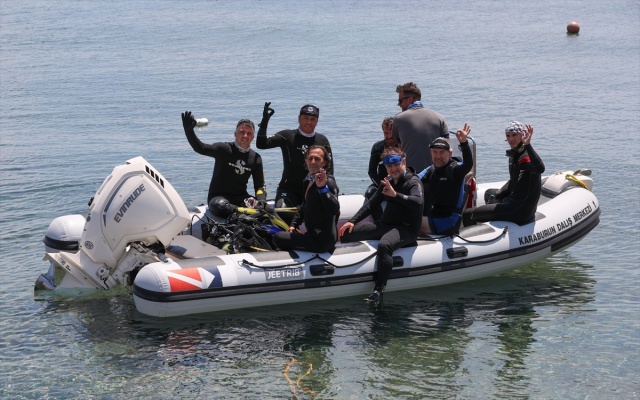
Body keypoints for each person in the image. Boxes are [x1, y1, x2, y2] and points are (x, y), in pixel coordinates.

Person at [339, 147, 423, 304]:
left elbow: (418, 202)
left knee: (385, 244)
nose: (393, 169)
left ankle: (378, 291)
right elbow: (372, 204)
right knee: (347, 233)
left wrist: (395, 195)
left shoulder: (413, 181)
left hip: (407, 229)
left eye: (396, 164)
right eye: (389, 166)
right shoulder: (388, 182)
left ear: (404, 162)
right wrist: (353, 221)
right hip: (386, 224)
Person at [181, 111, 266, 218]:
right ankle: (242, 216)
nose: (245, 136)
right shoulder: (224, 149)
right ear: (235, 134)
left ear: (253, 137)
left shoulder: (256, 158)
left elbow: (260, 186)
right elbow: (201, 148)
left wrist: (261, 201)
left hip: (241, 198)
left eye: (249, 133)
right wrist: (189, 131)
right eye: (242, 132)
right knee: (220, 205)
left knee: (267, 210)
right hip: (218, 197)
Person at [463, 121, 545, 226]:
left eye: (514, 135)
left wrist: (528, 145)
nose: (511, 139)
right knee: (490, 194)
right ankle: (493, 227)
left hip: (519, 210)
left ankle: (474, 239)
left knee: (468, 214)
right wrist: (498, 194)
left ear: (522, 135)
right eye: (508, 135)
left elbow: (540, 169)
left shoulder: (525, 157)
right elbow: (514, 182)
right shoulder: (516, 154)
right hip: (516, 204)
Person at [256, 102, 333, 208]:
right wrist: (264, 122)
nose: (309, 122)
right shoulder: (287, 136)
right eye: (305, 118)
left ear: (317, 121)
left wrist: (330, 190)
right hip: (288, 189)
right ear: (299, 118)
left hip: (314, 188)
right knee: (283, 210)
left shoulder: (322, 140)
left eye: (312, 119)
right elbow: (261, 144)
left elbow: (330, 169)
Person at [272, 145, 340, 253]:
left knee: (277, 237)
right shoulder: (309, 179)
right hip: (312, 235)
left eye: (317, 159)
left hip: (321, 241)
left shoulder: (328, 182)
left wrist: (322, 189)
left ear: (325, 162)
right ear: (306, 160)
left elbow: (334, 209)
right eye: (310, 158)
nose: (313, 162)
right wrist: (294, 224)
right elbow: (304, 205)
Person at [418, 124, 474, 235]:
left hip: (449, 221)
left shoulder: (455, 169)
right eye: (435, 152)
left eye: (442, 152)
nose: (438, 156)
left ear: (450, 153)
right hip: (434, 215)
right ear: (431, 153)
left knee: (408, 221)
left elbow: (468, 164)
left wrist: (464, 143)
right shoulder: (431, 169)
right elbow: (414, 179)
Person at [392, 82, 449, 172]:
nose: (399, 104)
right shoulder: (440, 118)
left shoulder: (398, 119)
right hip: (435, 173)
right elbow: (447, 148)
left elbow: (399, 148)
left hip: (410, 175)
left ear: (410, 99)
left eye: (400, 101)